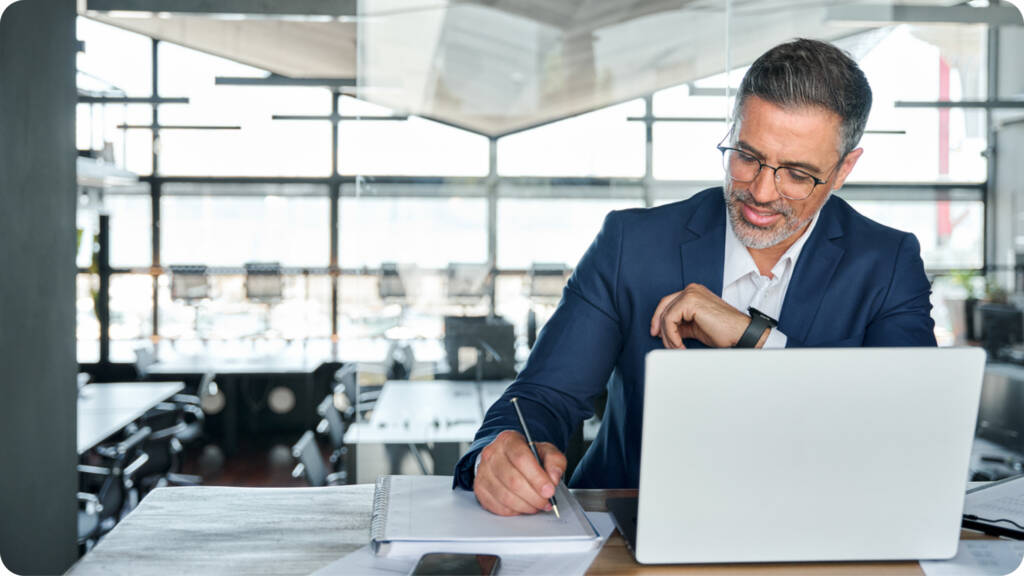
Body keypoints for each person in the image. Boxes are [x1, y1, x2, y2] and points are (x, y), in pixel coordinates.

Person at [454, 38, 937, 516]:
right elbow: (542, 396)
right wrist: (497, 453)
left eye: (796, 173)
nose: (762, 192)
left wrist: (754, 339)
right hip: (625, 530)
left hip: (812, 530)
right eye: (747, 155)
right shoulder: (631, 244)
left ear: (844, 168)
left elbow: (906, 432)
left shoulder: (887, 263)